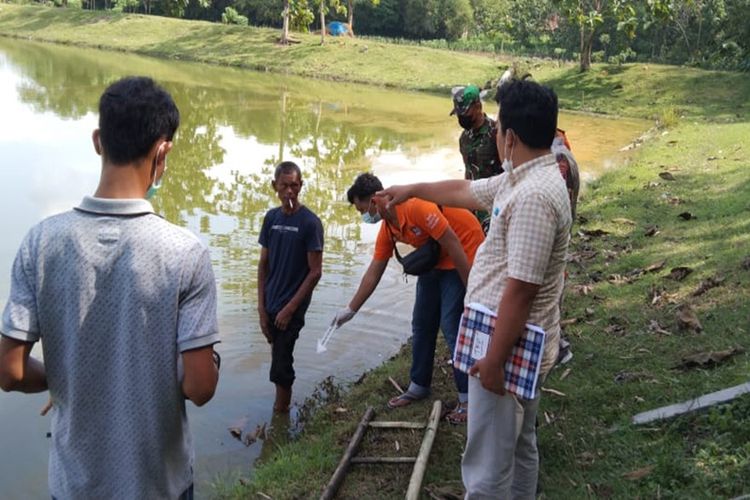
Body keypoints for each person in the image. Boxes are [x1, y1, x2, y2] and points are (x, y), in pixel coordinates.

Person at [0, 76, 220, 499]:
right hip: (159, 486)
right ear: (163, 150)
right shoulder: (184, 252)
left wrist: (63, 380)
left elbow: (9, 371)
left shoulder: (41, 242)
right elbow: (200, 387)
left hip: (73, 486)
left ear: (98, 140)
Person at [379, 78, 571, 497]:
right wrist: (410, 188)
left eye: (500, 128)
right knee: (520, 447)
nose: (495, 134)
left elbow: (521, 290)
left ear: (510, 137)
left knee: (486, 469)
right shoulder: (521, 178)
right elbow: (465, 190)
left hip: (509, 349)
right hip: (512, 343)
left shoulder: (534, 196)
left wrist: (494, 361)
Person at [331, 173, 484, 423]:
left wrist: (471, 287)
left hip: (463, 252)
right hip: (436, 261)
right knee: (422, 323)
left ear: (375, 199)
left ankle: (468, 398)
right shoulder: (388, 227)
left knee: (451, 324)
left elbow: (453, 242)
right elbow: (375, 270)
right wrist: (351, 309)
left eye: (362, 209)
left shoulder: (415, 207)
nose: (364, 216)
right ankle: (419, 385)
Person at [258, 161, 323, 413]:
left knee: (282, 363)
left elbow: (315, 272)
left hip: (292, 306)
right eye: (284, 186)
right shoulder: (271, 219)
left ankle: (280, 416)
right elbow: (263, 265)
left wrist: (290, 309)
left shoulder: (310, 223)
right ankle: (281, 407)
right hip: (271, 302)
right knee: (277, 355)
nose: (289, 192)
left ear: (301, 186)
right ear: (274, 186)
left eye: (294, 186)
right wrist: (261, 309)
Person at [451, 84, 502, 231]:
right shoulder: (464, 138)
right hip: (471, 206)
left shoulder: (496, 134)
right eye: (458, 114)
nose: (461, 118)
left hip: (493, 207)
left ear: (478, 106)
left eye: (465, 113)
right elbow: (468, 172)